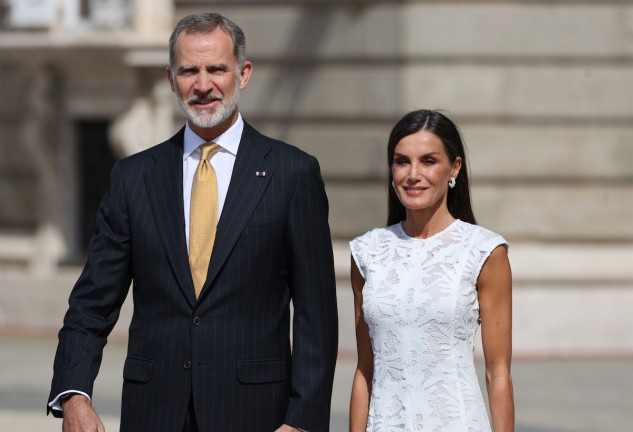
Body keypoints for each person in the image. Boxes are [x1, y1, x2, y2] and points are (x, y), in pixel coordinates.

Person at [48, 13, 338, 432]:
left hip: (257, 416)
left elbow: (317, 318)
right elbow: (92, 302)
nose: (203, 85)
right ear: (171, 78)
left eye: (217, 68)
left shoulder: (292, 174)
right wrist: (74, 395)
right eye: (189, 71)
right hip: (154, 412)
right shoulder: (134, 177)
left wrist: (302, 421)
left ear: (243, 73)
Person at [349, 109, 514, 431]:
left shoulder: (484, 251)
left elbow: (498, 373)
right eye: (401, 161)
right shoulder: (367, 252)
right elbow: (365, 371)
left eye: (428, 161)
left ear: (454, 167)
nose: (413, 174)